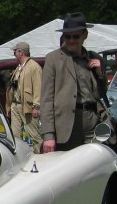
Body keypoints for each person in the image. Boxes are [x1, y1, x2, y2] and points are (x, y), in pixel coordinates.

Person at [40, 12, 106, 152]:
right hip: (67, 127)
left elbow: (101, 95)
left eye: (75, 36)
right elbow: (46, 99)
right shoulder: (53, 59)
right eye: (67, 36)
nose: (70, 40)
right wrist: (48, 135)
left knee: (95, 167)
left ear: (85, 35)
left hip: (92, 123)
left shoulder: (93, 58)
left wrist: (100, 75)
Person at [6, 42, 42, 153]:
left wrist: (37, 106)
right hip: (15, 104)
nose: (14, 53)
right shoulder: (19, 67)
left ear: (21, 52)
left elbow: (38, 87)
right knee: (15, 136)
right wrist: (9, 105)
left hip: (28, 106)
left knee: (34, 135)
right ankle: (21, 157)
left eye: (15, 51)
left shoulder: (34, 67)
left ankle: (40, 157)